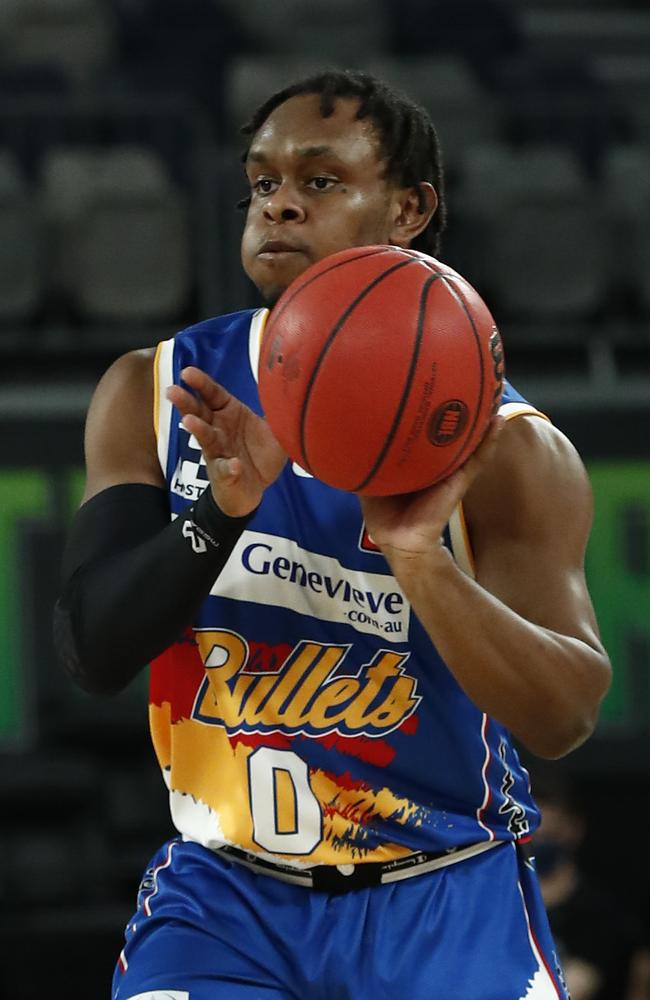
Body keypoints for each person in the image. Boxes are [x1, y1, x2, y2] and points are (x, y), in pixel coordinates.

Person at [53, 69, 612, 999]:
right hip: (224, 901)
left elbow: (566, 719)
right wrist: (220, 511)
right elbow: (91, 651)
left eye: (319, 182)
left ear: (410, 207)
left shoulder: (507, 446)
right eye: (262, 183)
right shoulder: (154, 392)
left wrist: (419, 562)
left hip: (445, 896)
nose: (278, 206)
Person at [530, 768, 646, 1000]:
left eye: (551, 833)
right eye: (534, 833)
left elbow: (570, 989)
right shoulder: (500, 907)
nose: (541, 841)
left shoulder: (602, 915)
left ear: (573, 829)